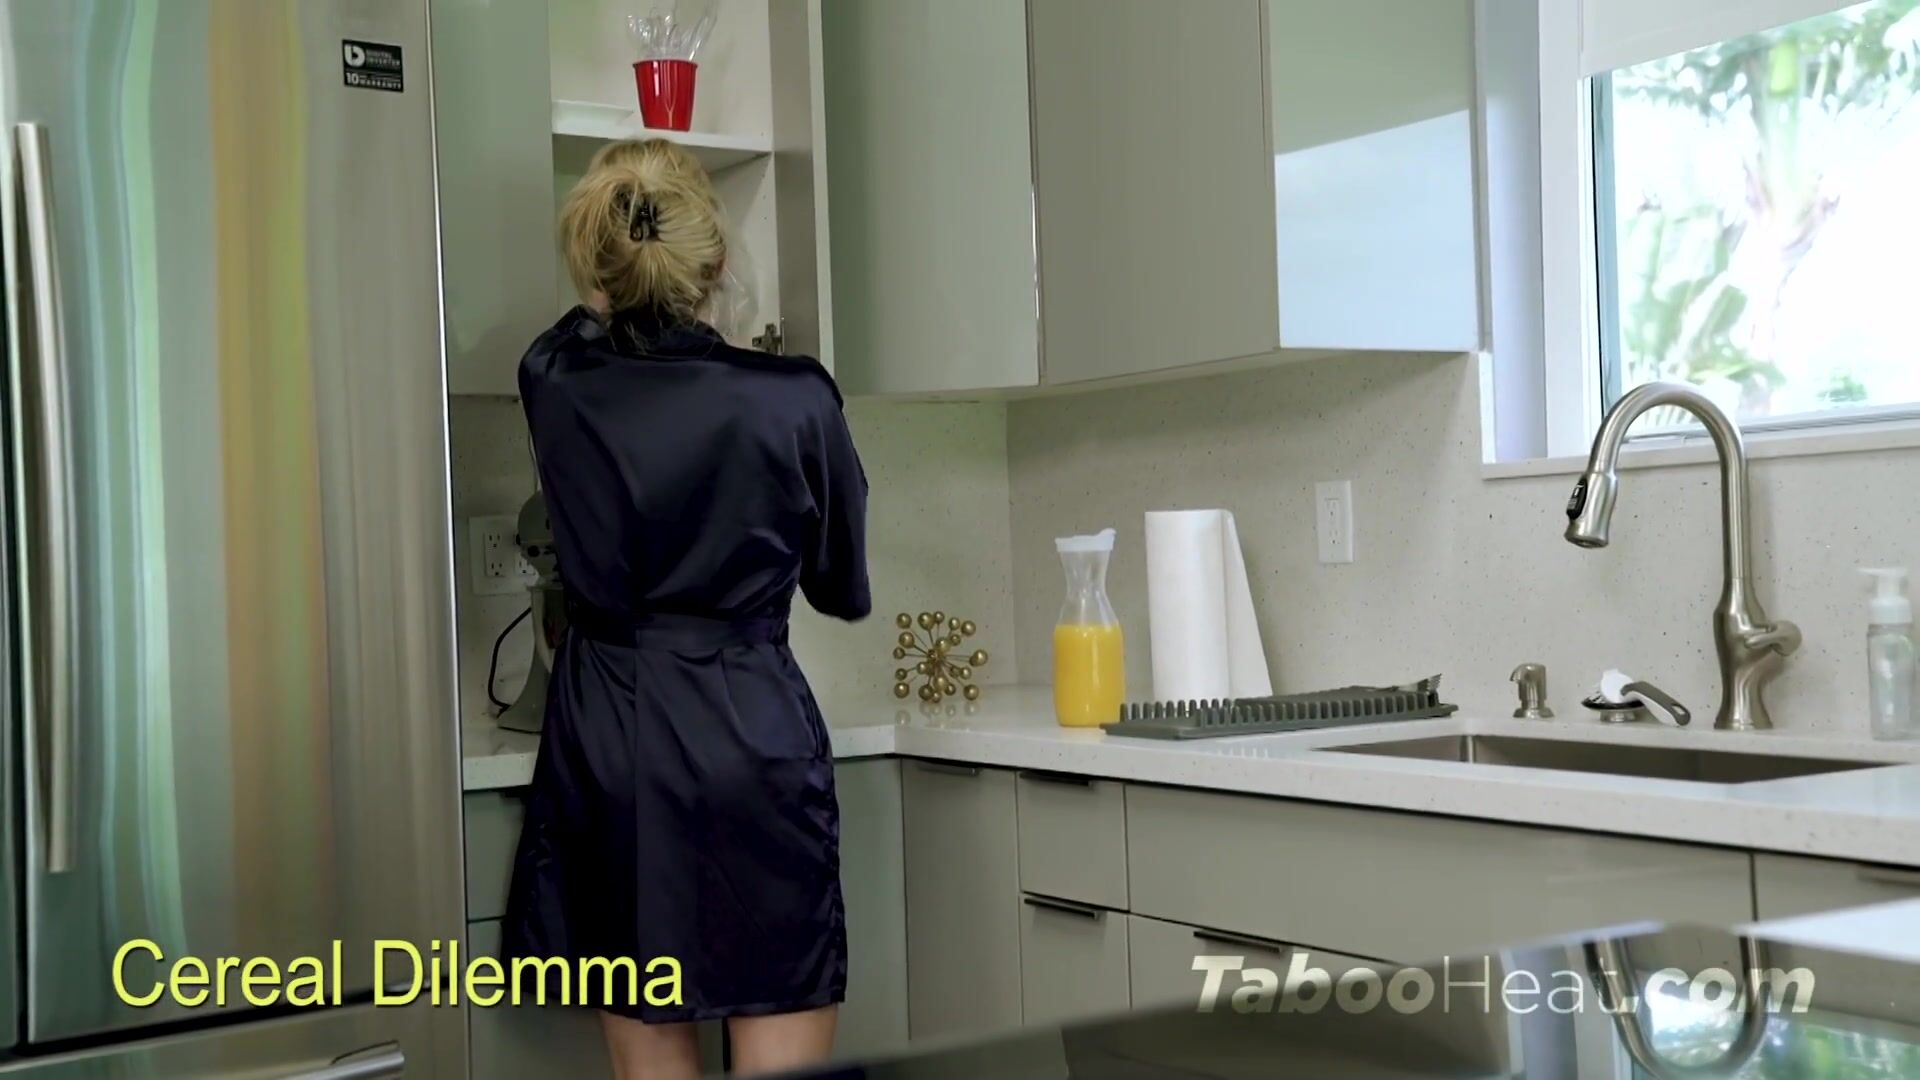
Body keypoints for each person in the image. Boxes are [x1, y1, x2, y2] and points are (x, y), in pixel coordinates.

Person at [501, 138, 870, 1079]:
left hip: (609, 741)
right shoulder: (795, 397)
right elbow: (840, 587)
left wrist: (616, 273)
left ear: (599, 268)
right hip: (750, 740)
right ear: (718, 262)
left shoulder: (554, 381)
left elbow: (578, 325)